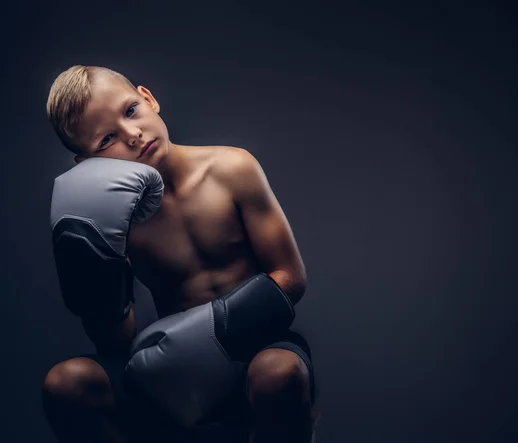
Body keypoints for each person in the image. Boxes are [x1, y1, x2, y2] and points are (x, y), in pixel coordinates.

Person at [42, 65, 317, 443]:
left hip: (256, 345)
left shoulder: (232, 168)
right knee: (65, 382)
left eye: (131, 111)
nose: (133, 135)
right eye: (107, 140)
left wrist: (207, 339)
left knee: (278, 371)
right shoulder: (116, 218)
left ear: (149, 98)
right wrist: (95, 268)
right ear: (90, 165)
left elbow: (290, 278)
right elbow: (116, 343)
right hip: (167, 367)